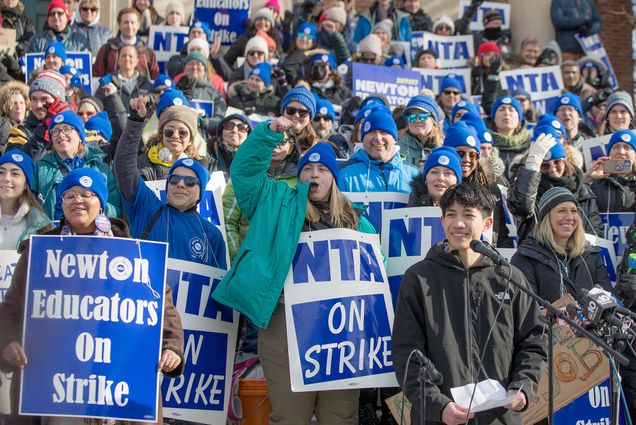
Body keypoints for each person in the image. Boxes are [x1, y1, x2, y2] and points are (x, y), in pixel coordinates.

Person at [213, 118, 376, 424]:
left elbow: (373, 269)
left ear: (334, 178)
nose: (314, 174)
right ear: (299, 176)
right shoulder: (276, 201)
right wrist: (267, 135)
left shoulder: (357, 220)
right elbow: (245, 172)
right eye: (307, 169)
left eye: (323, 169)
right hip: (284, 321)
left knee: (340, 416)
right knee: (290, 415)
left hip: (338, 327)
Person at [0, 167, 184, 424]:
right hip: (53, 385)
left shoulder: (133, 251)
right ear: (61, 203)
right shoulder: (39, 250)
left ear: (101, 203)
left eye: (87, 194)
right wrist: (8, 342)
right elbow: (11, 307)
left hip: (115, 382)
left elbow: (161, 306)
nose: (78, 201)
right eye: (70, 195)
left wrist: (172, 347)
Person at [393, 181, 546, 425]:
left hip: (499, 417)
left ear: (486, 223)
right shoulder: (419, 278)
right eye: (451, 215)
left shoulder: (509, 277)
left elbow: (533, 341)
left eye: (468, 215)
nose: (458, 223)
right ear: (442, 221)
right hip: (439, 418)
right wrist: (437, 405)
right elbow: (407, 353)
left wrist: (522, 387)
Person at [114, 96, 227, 268]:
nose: (181, 184)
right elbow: (124, 167)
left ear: (201, 191)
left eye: (190, 182)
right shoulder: (148, 208)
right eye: (174, 180)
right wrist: (135, 121)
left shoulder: (213, 236)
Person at [511, 186, 611, 302]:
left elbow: (608, 299)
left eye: (574, 211)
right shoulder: (526, 257)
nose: (569, 217)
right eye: (561, 211)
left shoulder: (590, 254)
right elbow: (525, 308)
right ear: (546, 218)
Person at [508, 125, 604, 242]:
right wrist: (532, 166)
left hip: (578, 255)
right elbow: (521, 207)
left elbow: (595, 231)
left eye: (557, 162)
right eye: (545, 165)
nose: (552, 169)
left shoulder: (583, 189)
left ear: (565, 160)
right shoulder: (527, 187)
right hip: (538, 254)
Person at [31, 110, 121, 220]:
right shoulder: (41, 168)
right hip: (53, 233)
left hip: (92, 233)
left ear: (80, 135)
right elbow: (30, 205)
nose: (61, 135)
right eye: (55, 131)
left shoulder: (101, 168)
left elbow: (116, 208)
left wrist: (96, 207)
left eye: (66, 129)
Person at [444, 121, 513, 247]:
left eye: (473, 155)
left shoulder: (491, 188)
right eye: (460, 153)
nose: (467, 160)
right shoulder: (436, 187)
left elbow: (500, 235)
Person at [339, 108, 418, 193]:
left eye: (384, 132)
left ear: (394, 139)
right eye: (371, 132)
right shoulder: (344, 174)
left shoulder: (413, 175)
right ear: (362, 139)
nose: (378, 138)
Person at [6, 70, 69, 160]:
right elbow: (14, 164)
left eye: (44, 99)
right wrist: (42, 134)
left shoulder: (75, 128)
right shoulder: (20, 130)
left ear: (59, 101)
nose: (38, 105)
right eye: (34, 99)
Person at [0, 150, 51, 250]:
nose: (6, 178)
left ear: (25, 184)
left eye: (15, 173)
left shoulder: (40, 224)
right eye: (1, 172)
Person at [92, 7, 159, 79]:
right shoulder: (106, 49)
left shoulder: (147, 51)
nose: (129, 26)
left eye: (133, 22)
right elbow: (97, 78)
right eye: (126, 22)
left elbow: (154, 79)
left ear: (138, 25)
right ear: (119, 25)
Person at [587, 129, 636, 213]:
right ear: (608, 154)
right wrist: (587, 178)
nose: (621, 152)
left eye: (627, 147)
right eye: (616, 146)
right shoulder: (595, 182)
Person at [95, 45, 153, 115]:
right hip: (113, 124)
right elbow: (97, 104)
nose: (127, 59)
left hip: (140, 124)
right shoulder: (107, 81)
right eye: (124, 56)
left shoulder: (146, 82)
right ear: (118, 60)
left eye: (130, 56)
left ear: (137, 61)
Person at [488, 95, 532, 176]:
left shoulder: (531, 145)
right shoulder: (485, 146)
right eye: (501, 109)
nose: (507, 113)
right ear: (493, 118)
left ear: (519, 119)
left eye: (511, 110)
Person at [397, 94, 443, 170]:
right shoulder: (397, 150)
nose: (417, 120)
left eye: (423, 116)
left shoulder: (443, 148)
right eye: (412, 117)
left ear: (433, 120)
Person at [279, 86, 318, 155]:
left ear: (310, 117)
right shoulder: (269, 135)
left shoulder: (317, 147)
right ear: (283, 112)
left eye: (302, 112)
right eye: (291, 110)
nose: (296, 115)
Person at [0, 81, 29, 153]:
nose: (18, 107)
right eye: (14, 103)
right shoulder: (4, 126)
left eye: (21, 103)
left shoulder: (31, 127)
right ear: (6, 107)